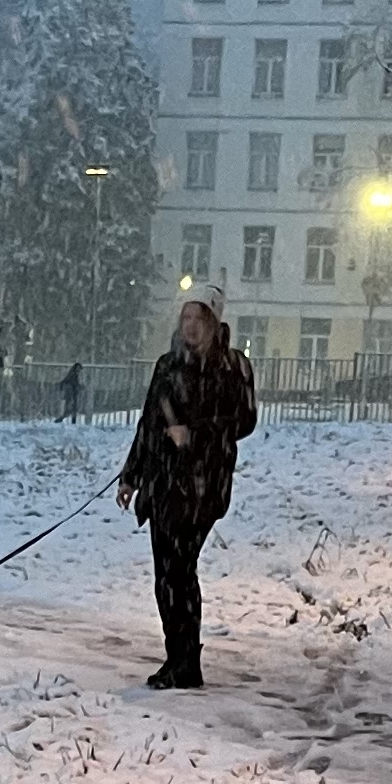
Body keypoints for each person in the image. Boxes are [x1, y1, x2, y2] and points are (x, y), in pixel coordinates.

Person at [117, 284, 257, 690]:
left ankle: (185, 660)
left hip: (202, 485)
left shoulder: (234, 368)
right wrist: (131, 475)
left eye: (198, 317)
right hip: (163, 482)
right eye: (185, 317)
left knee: (181, 567)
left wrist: (193, 434)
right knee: (166, 575)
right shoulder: (166, 366)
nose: (190, 325)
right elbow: (148, 424)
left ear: (213, 322)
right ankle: (177, 658)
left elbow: (243, 422)